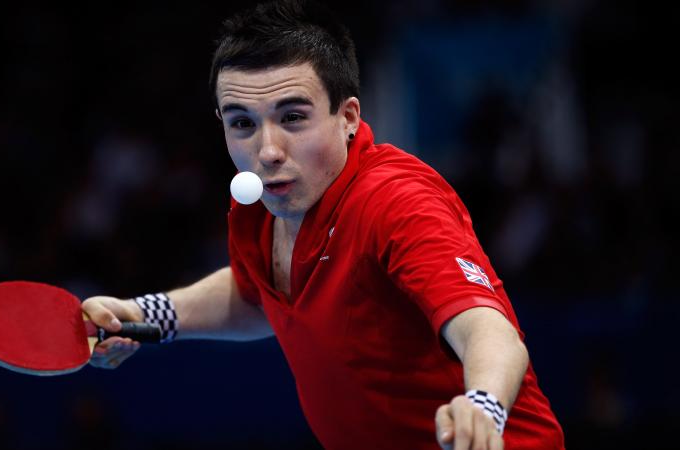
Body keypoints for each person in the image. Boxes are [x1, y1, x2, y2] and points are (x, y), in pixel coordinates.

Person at [81, 1, 565, 448]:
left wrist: (483, 405)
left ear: (348, 116)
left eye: (292, 117)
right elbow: (259, 296)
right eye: (242, 124)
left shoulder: (396, 203)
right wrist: (142, 313)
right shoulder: (262, 202)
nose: (267, 151)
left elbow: (487, 327)